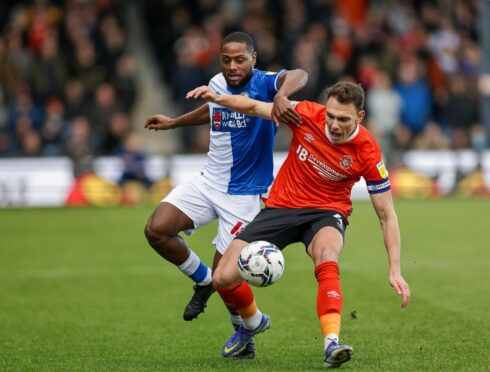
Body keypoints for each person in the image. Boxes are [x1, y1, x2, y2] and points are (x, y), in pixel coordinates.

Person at [187, 81, 411, 368]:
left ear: (360, 117)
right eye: (330, 115)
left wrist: (395, 270)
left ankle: (332, 343)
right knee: (222, 278)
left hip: (326, 212)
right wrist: (219, 97)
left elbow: (387, 215)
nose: (334, 124)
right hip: (281, 206)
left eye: (343, 119)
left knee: (327, 254)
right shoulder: (306, 113)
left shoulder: (368, 151)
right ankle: (252, 322)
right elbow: (255, 106)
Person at [143, 32, 308, 359]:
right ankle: (203, 281)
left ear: (253, 59)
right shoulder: (216, 82)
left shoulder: (265, 84)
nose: (232, 66)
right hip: (208, 181)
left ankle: (247, 328)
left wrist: (282, 95)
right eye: (227, 59)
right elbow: (212, 111)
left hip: (244, 195)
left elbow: (299, 75)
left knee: (227, 279)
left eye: (240, 59)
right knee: (156, 230)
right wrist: (174, 123)